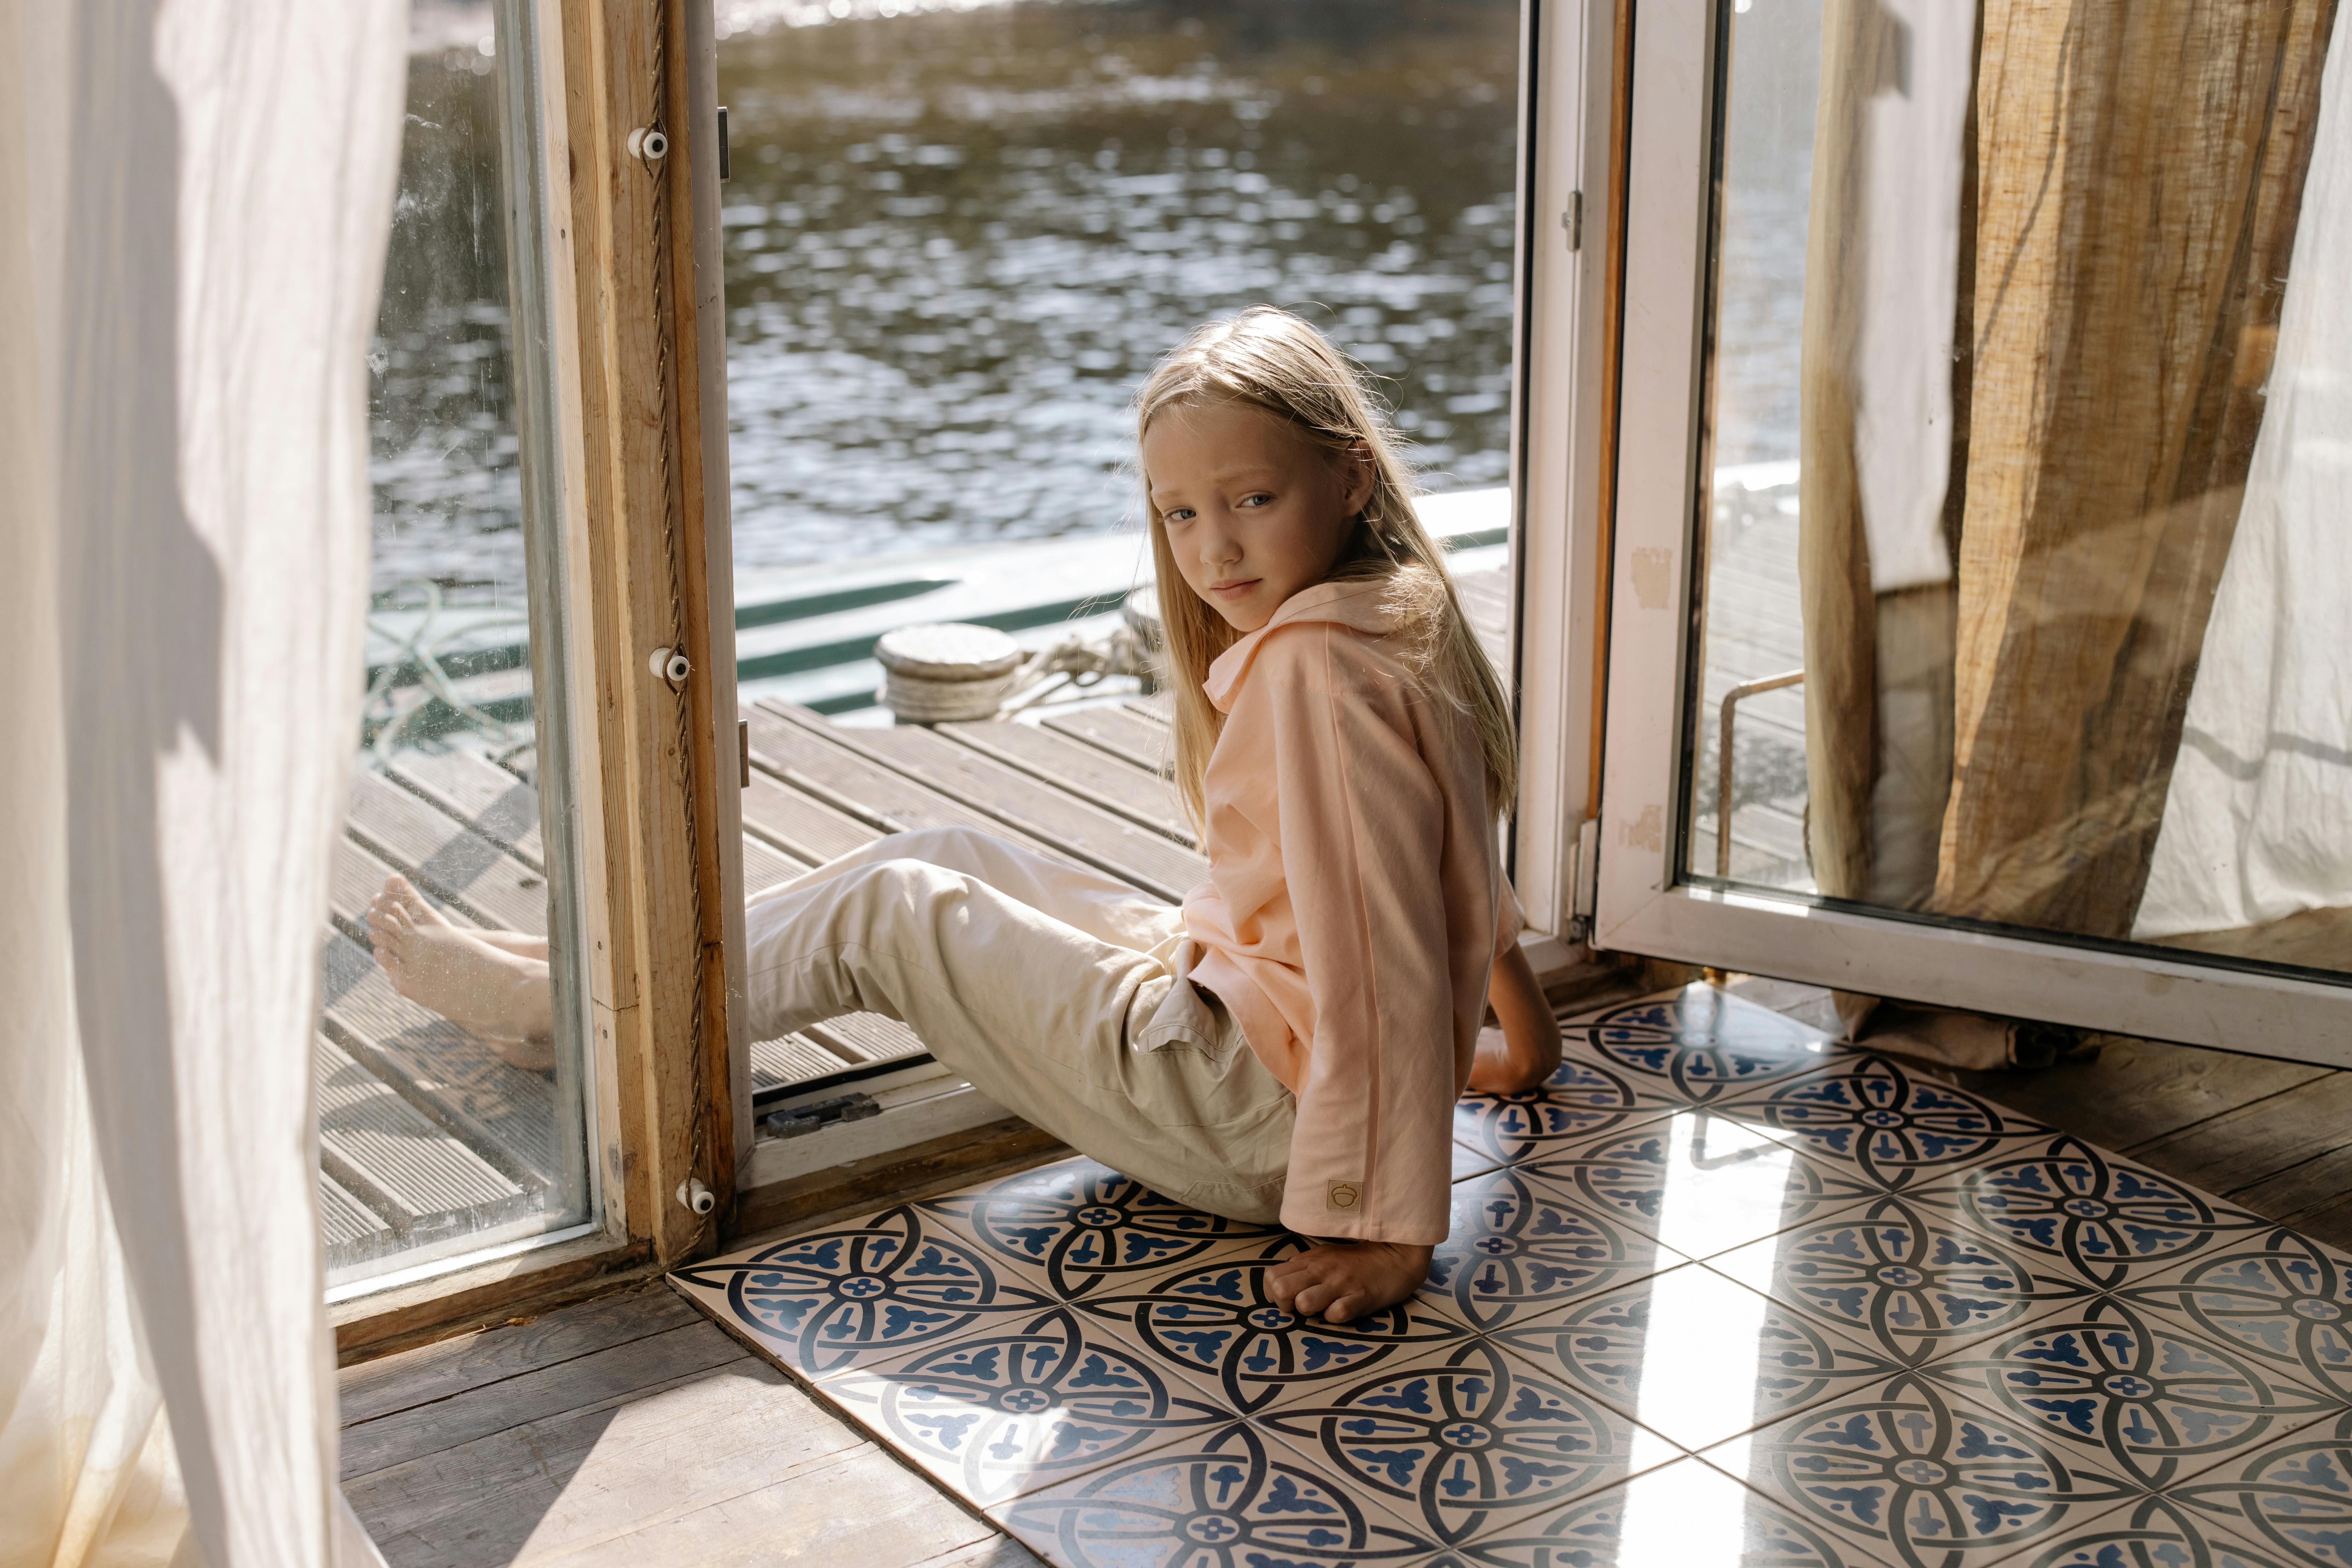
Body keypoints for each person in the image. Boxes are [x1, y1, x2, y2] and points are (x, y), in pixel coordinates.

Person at [368, 304, 1563, 1322]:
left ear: (1352, 471)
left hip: (1260, 1119)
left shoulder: (1314, 670)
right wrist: (1520, 1034)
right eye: (1181, 514)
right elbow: (1447, 866)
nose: (1213, 547)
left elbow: (1382, 951)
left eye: (1250, 496)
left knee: (899, 911)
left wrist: (1385, 1225)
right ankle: (591, 981)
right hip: (1263, 1051)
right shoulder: (1394, 622)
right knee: (944, 851)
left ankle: (563, 1010)